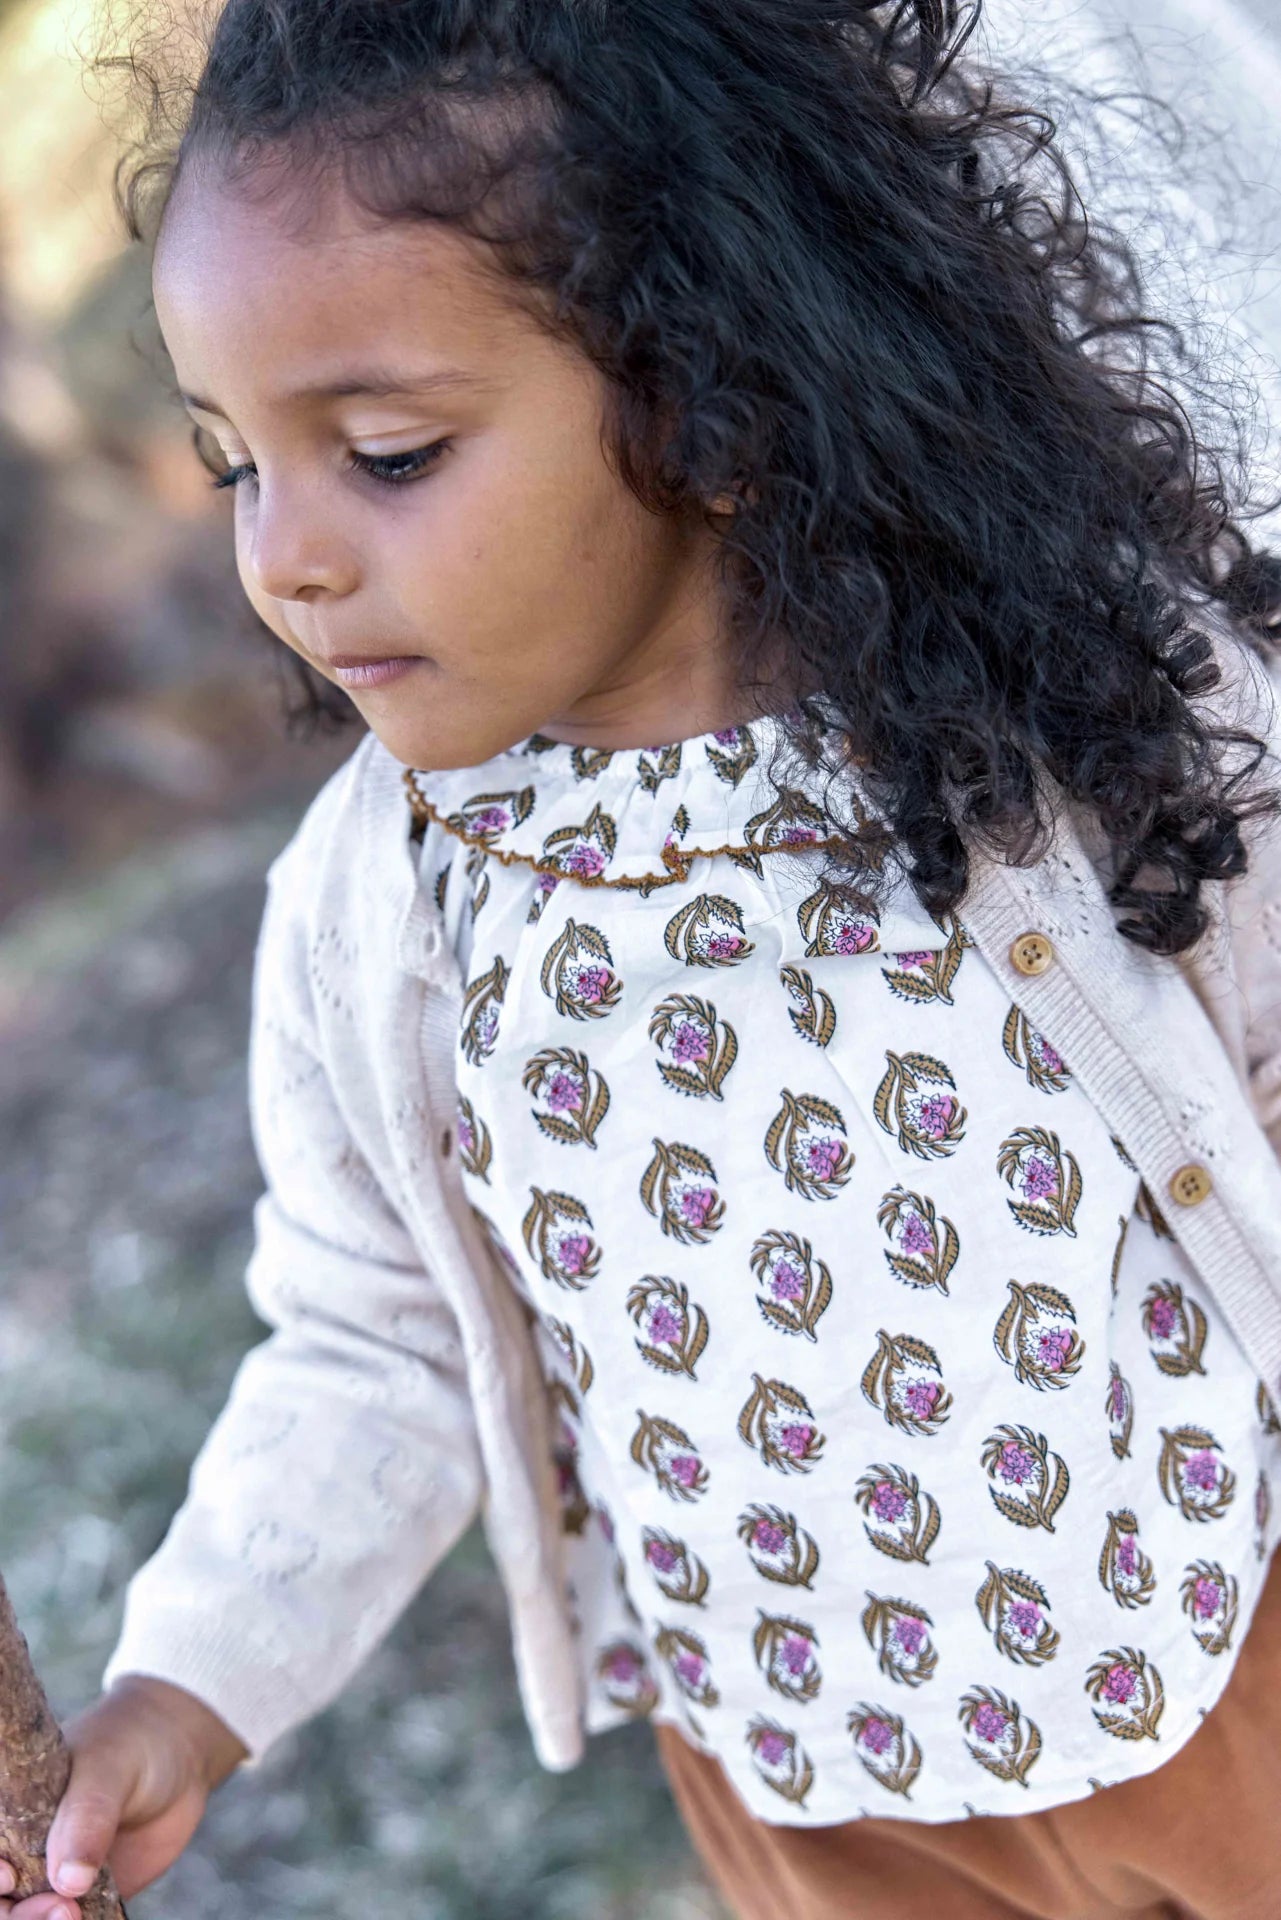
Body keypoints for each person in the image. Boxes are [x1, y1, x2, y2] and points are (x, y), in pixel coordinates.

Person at [7, 2, 1281, 1915]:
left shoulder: (1063, 719)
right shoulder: (387, 912)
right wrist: (189, 1693)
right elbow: (371, 1339)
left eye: (386, 453)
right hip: (819, 1797)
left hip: (1225, 1654)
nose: (284, 557)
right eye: (234, 463)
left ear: (707, 397)